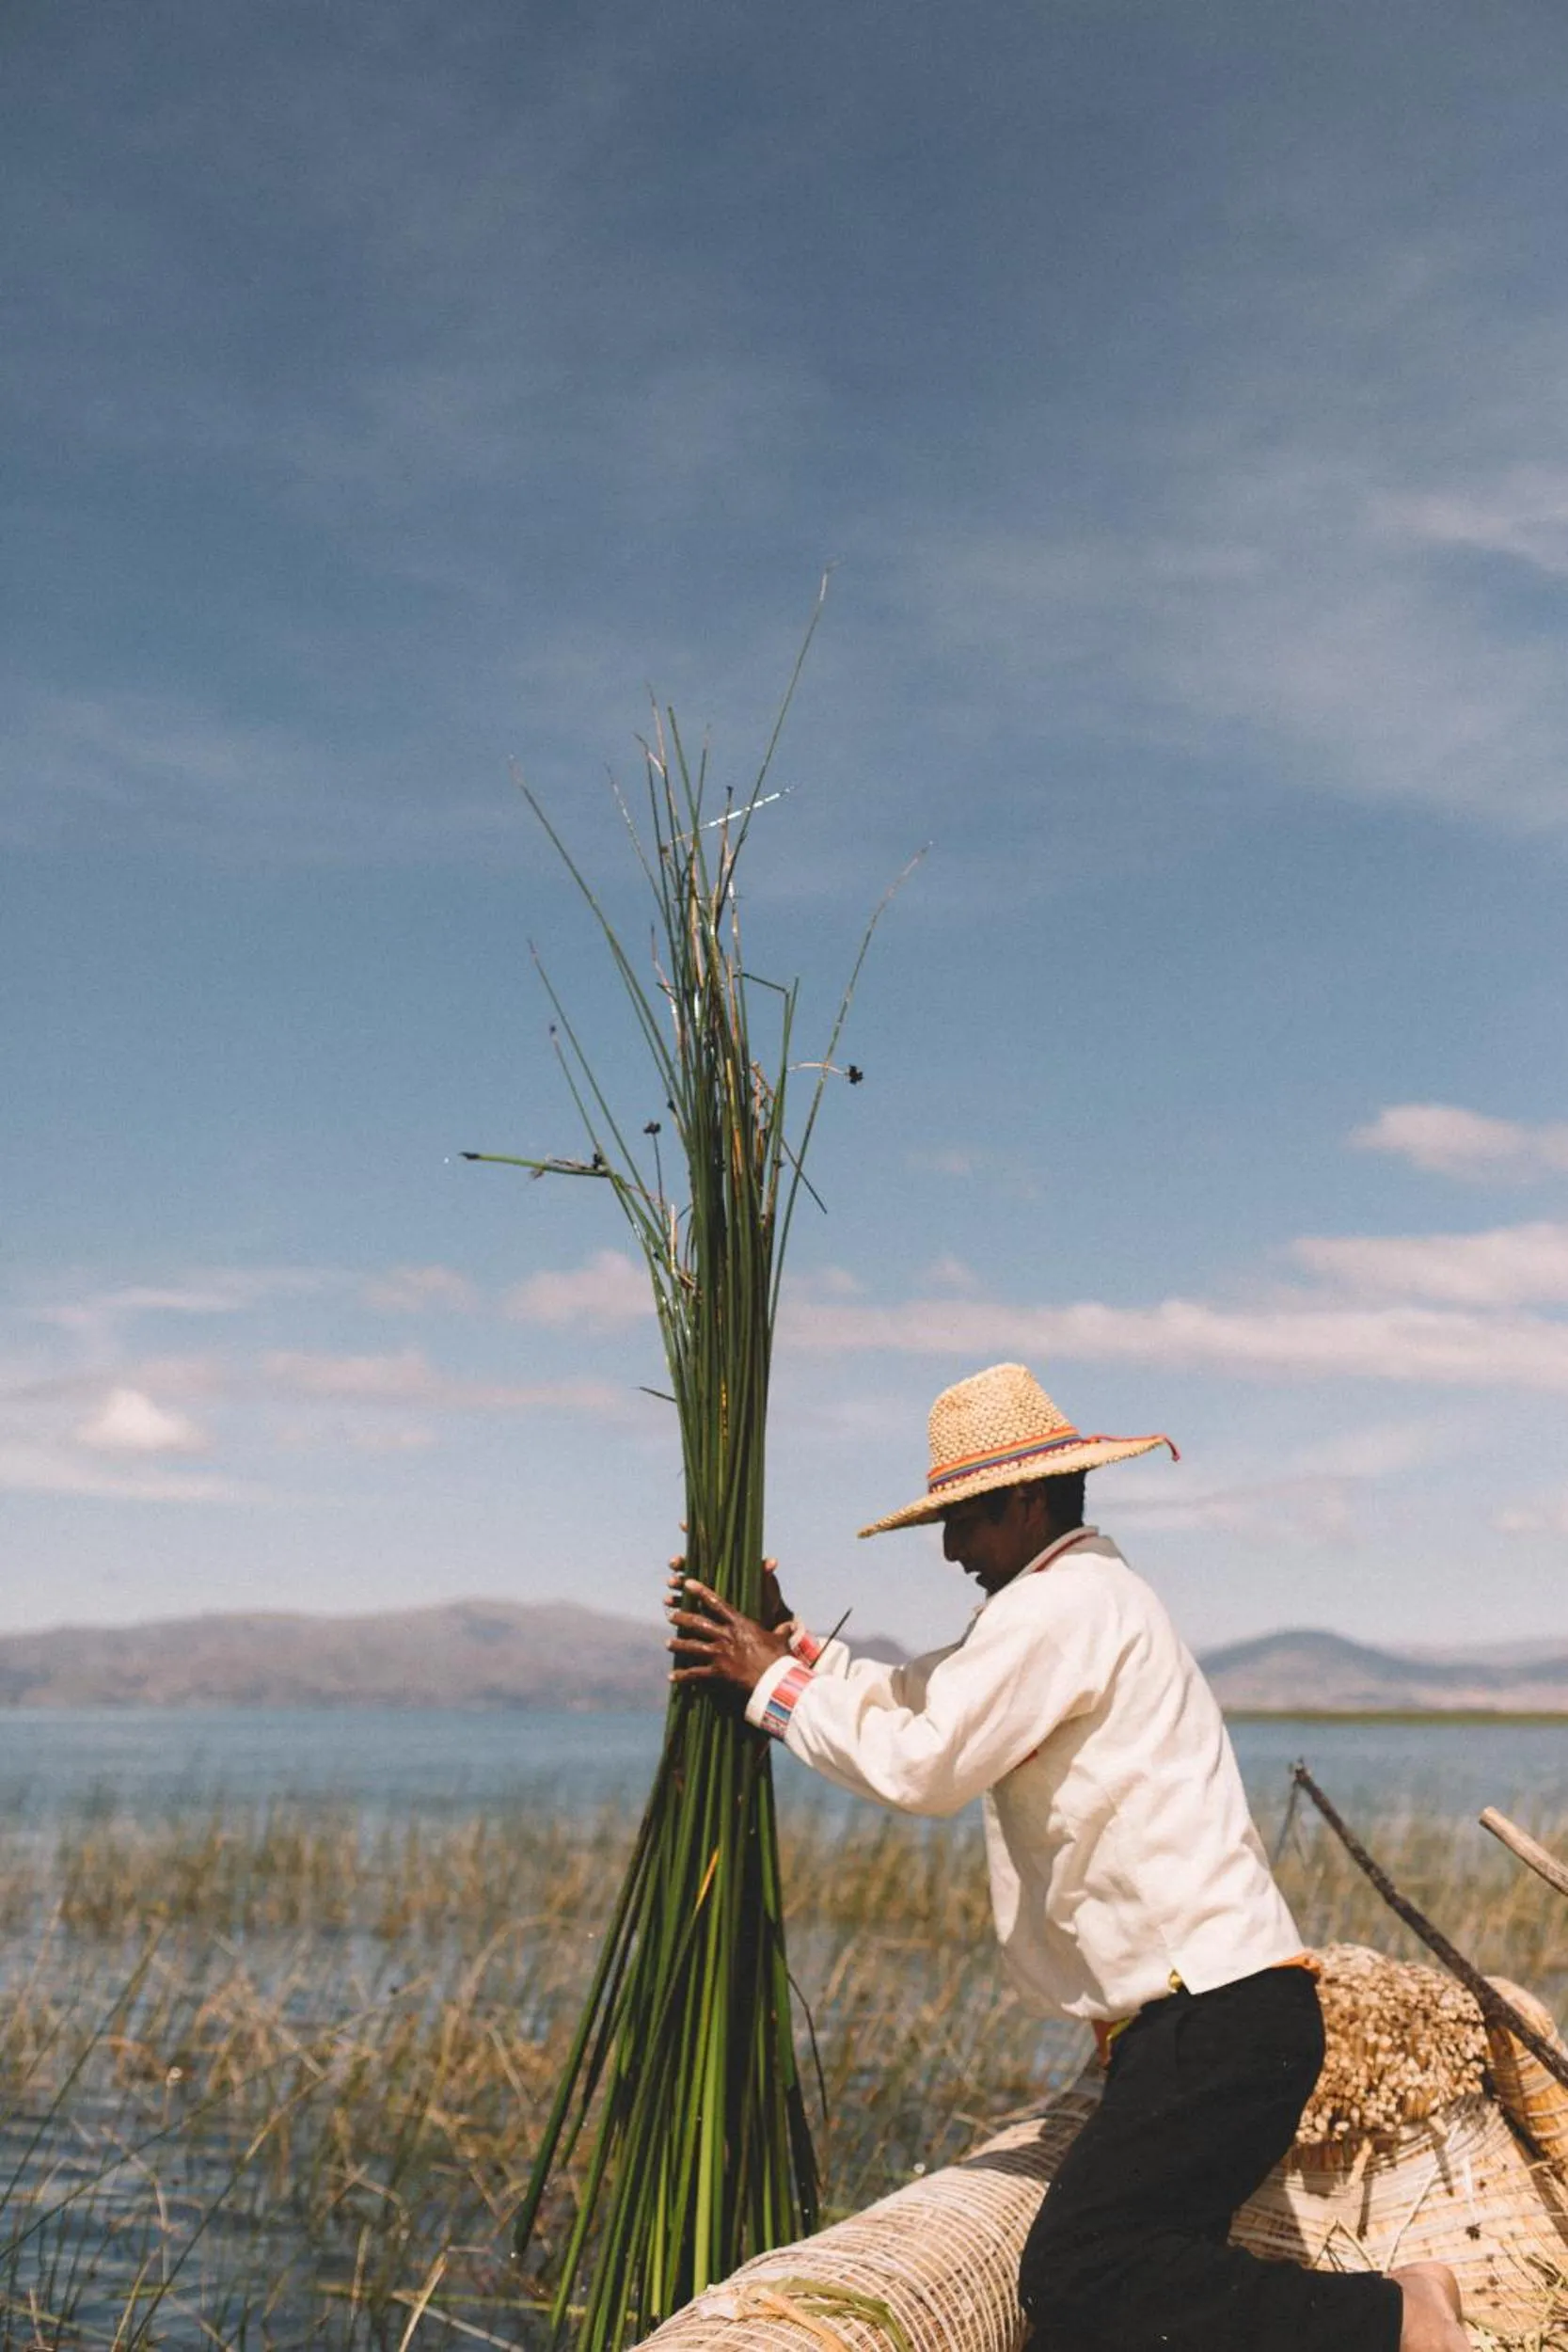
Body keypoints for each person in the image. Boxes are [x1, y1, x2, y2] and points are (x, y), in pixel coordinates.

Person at [666, 1361, 1468, 2352]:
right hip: (1213, 2016)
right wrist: (796, 1655)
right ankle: (1400, 2304)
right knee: (1135, 2263)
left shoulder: (1062, 1607)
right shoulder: (1068, 1600)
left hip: (1212, 2017)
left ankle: (1400, 2317)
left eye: (966, 1519)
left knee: (1081, 2270)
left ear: (1028, 1498)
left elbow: (925, 1763)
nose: (952, 1548)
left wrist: (770, 1688)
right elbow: (933, 1696)